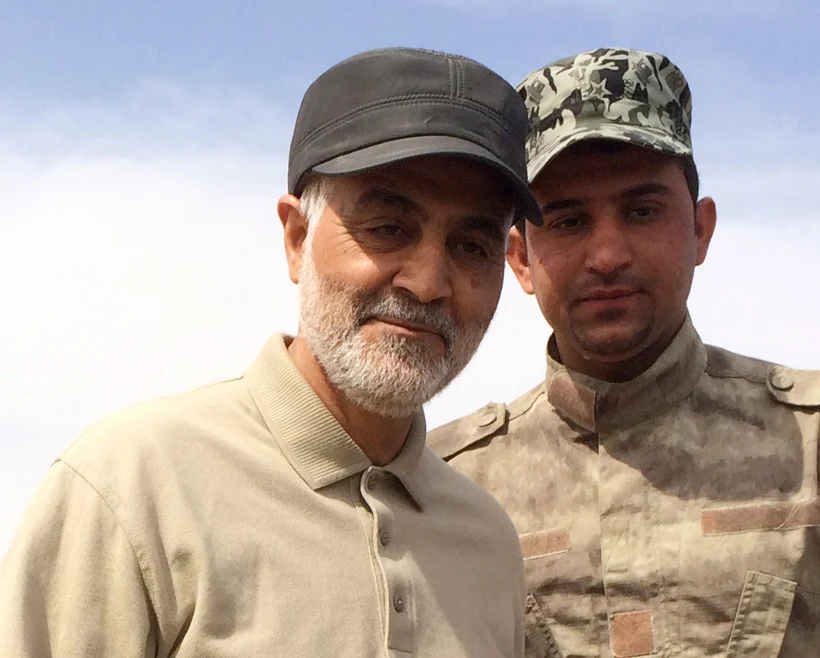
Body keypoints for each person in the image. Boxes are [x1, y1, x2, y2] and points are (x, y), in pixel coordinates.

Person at [0, 47, 543, 657]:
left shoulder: (488, 545)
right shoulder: (129, 489)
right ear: (296, 239)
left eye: (471, 245)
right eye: (388, 228)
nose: (427, 281)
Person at [429, 47, 820, 657]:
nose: (607, 254)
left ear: (700, 231)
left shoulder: (811, 446)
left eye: (641, 211)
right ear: (522, 259)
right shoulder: (448, 487)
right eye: (568, 221)